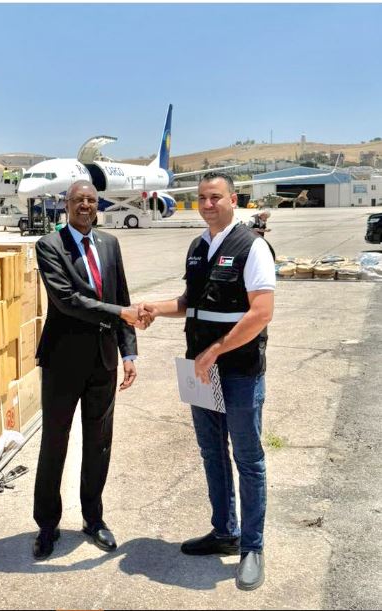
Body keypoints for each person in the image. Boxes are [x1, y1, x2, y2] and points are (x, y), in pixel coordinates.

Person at [141, 172, 275, 591]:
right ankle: (224, 531)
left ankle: (252, 547)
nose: (207, 204)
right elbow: (190, 303)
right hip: (200, 370)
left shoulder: (252, 246)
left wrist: (215, 350)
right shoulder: (198, 248)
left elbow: (261, 313)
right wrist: (154, 308)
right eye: (201, 198)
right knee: (212, 452)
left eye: (215, 197)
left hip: (238, 370)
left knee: (248, 459)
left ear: (233, 200)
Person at [32, 180, 149, 560]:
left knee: (99, 443)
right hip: (63, 362)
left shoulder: (109, 244)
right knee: (55, 442)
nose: (85, 205)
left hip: (103, 361)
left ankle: (93, 518)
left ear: (98, 205)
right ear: (66, 205)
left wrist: (128, 353)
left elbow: (122, 296)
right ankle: (47, 525)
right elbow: (67, 300)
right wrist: (120, 313)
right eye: (78, 200)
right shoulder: (49, 245)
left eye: (91, 200)